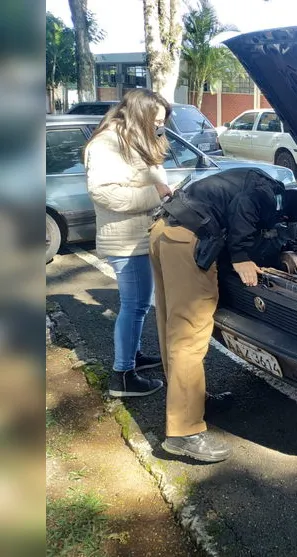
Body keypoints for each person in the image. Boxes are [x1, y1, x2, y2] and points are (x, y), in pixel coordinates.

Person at [149, 167, 297, 463]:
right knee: (189, 336)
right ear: (286, 211)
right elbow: (244, 208)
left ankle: (189, 401)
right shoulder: (269, 194)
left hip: (164, 230)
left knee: (170, 324)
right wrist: (241, 257)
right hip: (188, 241)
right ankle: (183, 432)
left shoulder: (257, 178)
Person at [84, 89, 172, 398]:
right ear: (139, 114)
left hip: (139, 235)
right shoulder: (108, 143)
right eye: (156, 120)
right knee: (134, 306)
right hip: (125, 240)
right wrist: (156, 194)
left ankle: (132, 356)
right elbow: (103, 192)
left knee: (139, 305)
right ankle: (122, 376)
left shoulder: (131, 139)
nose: (160, 126)